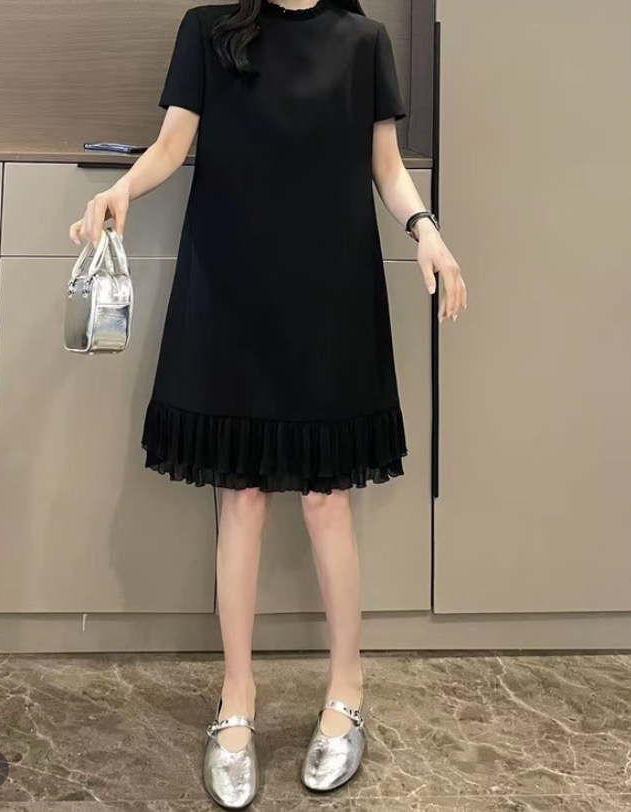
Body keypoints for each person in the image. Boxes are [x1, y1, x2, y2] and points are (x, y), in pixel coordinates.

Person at [69, 0, 466, 807]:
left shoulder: (363, 42)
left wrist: (427, 229)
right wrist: (123, 188)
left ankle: (346, 692)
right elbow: (173, 143)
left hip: (331, 291)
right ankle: (237, 698)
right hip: (230, 283)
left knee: (326, 499)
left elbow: (386, 168)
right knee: (241, 495)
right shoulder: (209, 30)